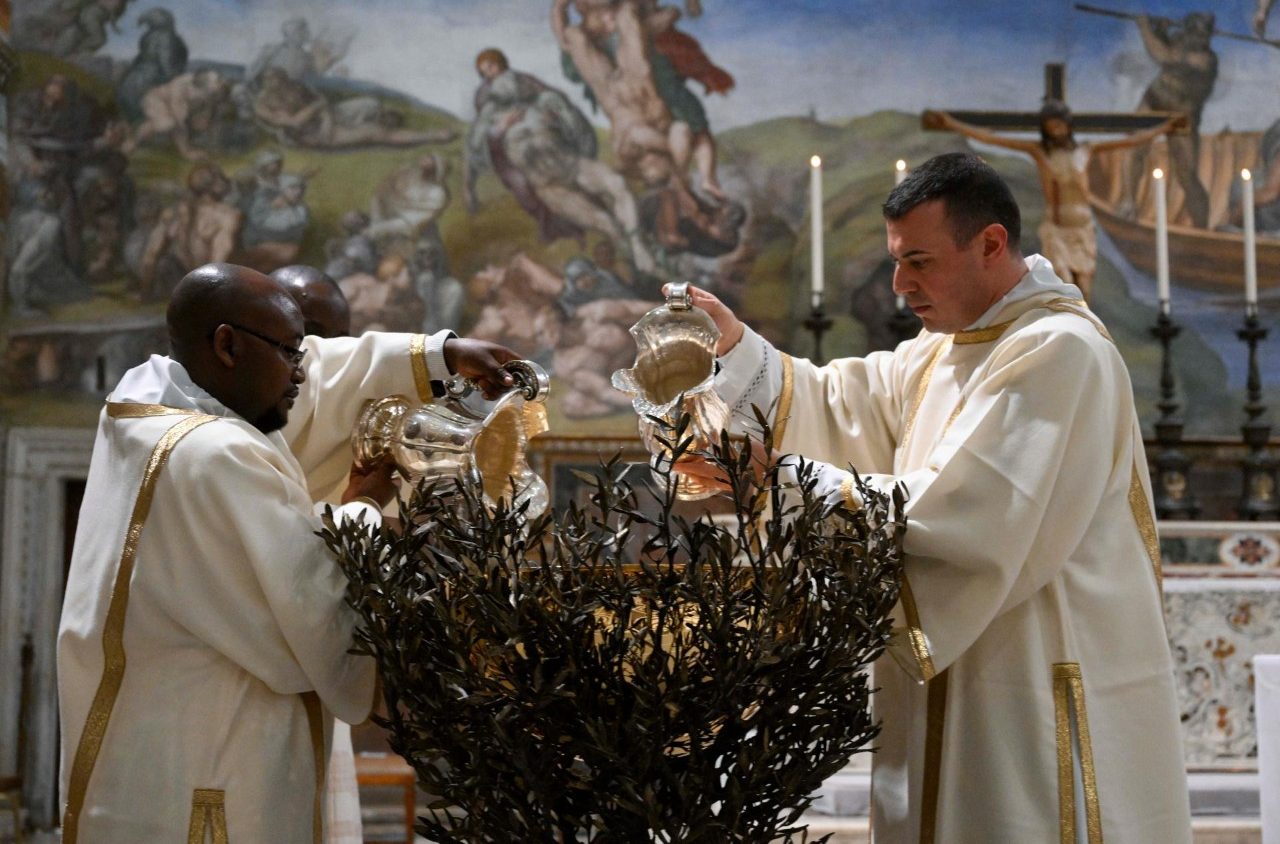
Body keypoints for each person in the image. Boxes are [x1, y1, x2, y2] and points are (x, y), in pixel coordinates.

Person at [675, 153, 1192, 842]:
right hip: (959, 666)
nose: (900, 285)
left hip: (1031, 666)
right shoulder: (943, 349)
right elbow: (841, 404)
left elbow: (968, 513)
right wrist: (737, 347)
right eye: (896, 262)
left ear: (991, 243)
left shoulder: (1059, 350)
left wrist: (780, 479)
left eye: (919, 261)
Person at [58, 262, 519, 842]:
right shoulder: (213, 456)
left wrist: (440, 355)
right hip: (213, 753)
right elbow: (311, 596)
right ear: (227, 346)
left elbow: (322, 374)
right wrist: (364, 504)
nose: (302, 372)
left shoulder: (146, 404)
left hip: (157, 746)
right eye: (290, 353)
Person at [926, 102, 1182, 300]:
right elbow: (993, 138)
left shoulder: (1086, 150)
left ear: (1068, 125)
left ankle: (1083, 338)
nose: (1056, 130)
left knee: (1085, 291)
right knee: (1065, 287)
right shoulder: (1040, 152)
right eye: (1050, 126)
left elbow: (1130, 141)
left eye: (1059, 124)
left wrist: (1163, 129)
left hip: (1082, 229)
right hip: (1058, 229)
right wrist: (952, 124)